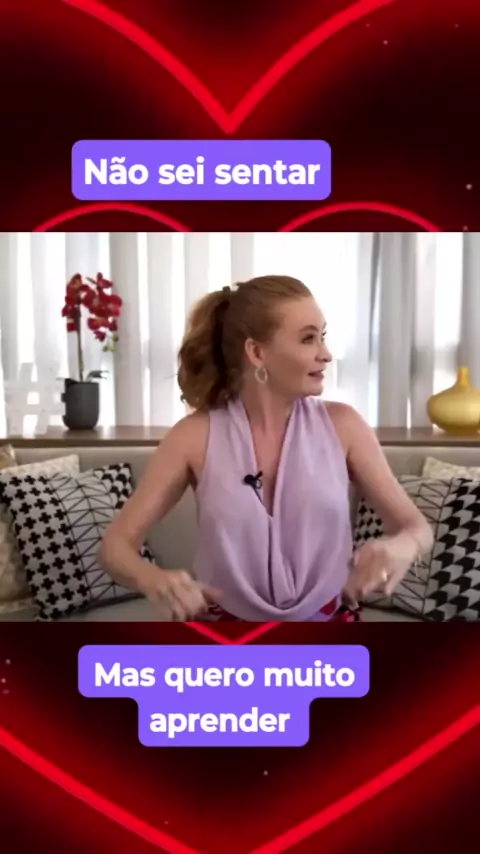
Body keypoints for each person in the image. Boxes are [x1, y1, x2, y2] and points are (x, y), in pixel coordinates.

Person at [100, 275, 433, 622]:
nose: (326, 354)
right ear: (257, 352)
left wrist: (403, 546)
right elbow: (114, 548)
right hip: (226, 634)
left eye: (322, 337)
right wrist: (152, 579)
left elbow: (417, 527)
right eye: (308, 339)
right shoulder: (192, 437)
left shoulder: (345, 426)